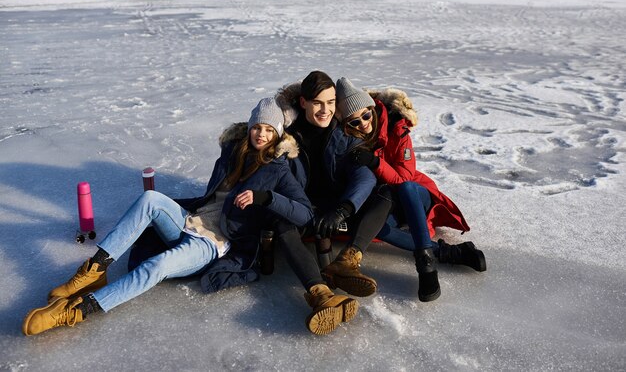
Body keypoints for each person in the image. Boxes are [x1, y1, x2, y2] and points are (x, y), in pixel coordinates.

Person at [23, 97, 357, 336]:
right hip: (192, 220)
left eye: (269, 130)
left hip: (216, 242)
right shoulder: (232, 153)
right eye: (257, 127)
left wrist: (264, 197)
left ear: (277, 134)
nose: (261, 135)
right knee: (151, 197)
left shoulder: (280, 170)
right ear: (250, 127)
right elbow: (210, 197)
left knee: (156, 266)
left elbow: (303, 213)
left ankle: (77, 311)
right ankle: (92, 272)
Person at [334, 77, 486, 302]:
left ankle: (426, 265)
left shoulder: (397, 128)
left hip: (415, 196)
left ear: (372, 108)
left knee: (405, 187)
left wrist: (375, 163)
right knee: (374, 228)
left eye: (366, 115)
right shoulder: (350, 142)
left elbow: (404, 177)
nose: (364, 124)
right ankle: (449, 252)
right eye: (355, 122)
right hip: (387, 204)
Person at [275, 71, 382, 298]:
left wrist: (343, 209)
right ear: (303, 102)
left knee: (383, 194)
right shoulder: (286, 138)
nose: (325, 110)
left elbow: (365, 177)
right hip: (302, 208)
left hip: (337, 208)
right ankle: (319, 292)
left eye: (331, 102)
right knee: (281, 222)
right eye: (317, 103)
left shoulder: (343, 133)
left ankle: (345, 263)